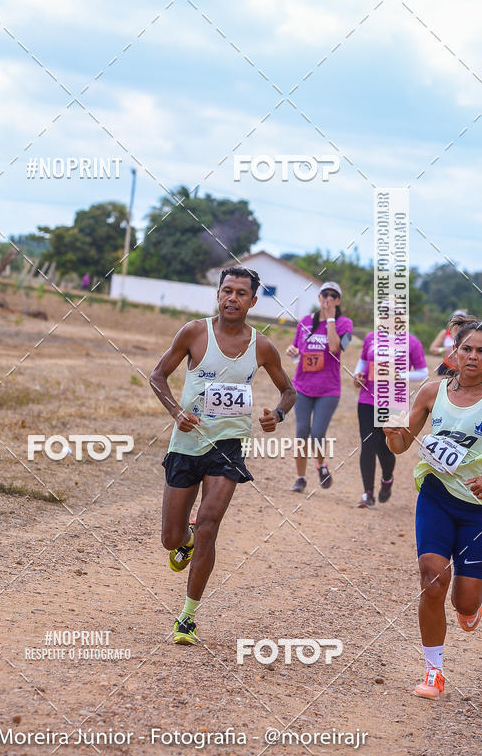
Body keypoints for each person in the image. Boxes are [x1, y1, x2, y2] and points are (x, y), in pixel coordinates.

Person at [150, 266, 296, 645]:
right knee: (170, 537)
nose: (232, 298)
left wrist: (276, 414)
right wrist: (176, 412)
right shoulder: (194, 332)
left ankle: (187, 617)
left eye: (241, 293)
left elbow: (288, 391)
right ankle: (185, 540)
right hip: (186, 443)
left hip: (228, 445)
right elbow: (157, 376)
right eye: (226, 290)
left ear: (253, 300)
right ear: (217, 294)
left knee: (211, 525)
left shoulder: (262, 346)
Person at [383, 317, 482, 700]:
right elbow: (400, 446)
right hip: (436, 496)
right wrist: (395, 434)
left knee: (466, 599)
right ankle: (434, 671)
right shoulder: (430, 392)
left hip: (477, 510)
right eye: (467, 348)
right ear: (454, 351)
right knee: (432, 579)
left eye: (480, 351)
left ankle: (470, 606)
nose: (473, 356)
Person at [353, 314, 428, 507]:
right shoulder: (371, 338)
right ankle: (367, 494)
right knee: (368, 444)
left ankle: (387, 479)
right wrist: (357, 376)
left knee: (385, 446)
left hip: (394, 401)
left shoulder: (412, 342)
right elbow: (362, 363)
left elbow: (423, 372)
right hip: (367, 399)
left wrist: (399, 374)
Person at [285, 282, 352, 492]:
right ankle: (300, 478)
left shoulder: (345, 324)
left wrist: (330, 319)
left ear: (338, 300)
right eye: (325, 294)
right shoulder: (305, 322)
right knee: (301, 432)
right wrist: (293, 353)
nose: (328, 298)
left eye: (333, 295)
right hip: (302, 386)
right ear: (319, 296)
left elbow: (335, 348)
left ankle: (321, 465)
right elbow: (299, 353)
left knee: (318, 433)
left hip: (328, 390)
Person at [430, 310, 468, 375]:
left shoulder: (468, 334)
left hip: (461, 368)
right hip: (446, 366)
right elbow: (432, 349)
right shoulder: (445, 333)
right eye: (457, 320)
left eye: (462, 321)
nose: (459, 323)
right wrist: (444, 349)